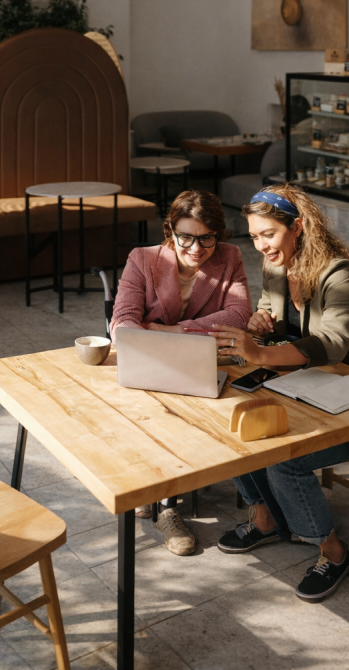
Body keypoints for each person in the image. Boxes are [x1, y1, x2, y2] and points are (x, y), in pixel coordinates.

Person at [207, 185, 349, 603]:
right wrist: (261, 322)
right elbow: (270, 309)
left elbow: (332, 345)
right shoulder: (278, 264)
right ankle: (265, 518)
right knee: (233, 432)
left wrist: (260, 353)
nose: (261, 245)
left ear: (298, 227)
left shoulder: (340, 273)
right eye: (254, 236)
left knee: (285, 460)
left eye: (268, 234)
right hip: (316, 387)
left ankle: (333, 552)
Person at [112, 189, 252, 556]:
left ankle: (158, 496)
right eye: (185, 237)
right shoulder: (143, 259)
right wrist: (153, 340)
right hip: (150, 363)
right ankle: (165, 508)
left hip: (202, 365)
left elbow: (239, 315)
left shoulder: (230, 257)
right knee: (161, 412)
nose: (196, 248)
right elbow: (123, 320)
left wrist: (171, 331)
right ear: (170, 231)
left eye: (206, 238)